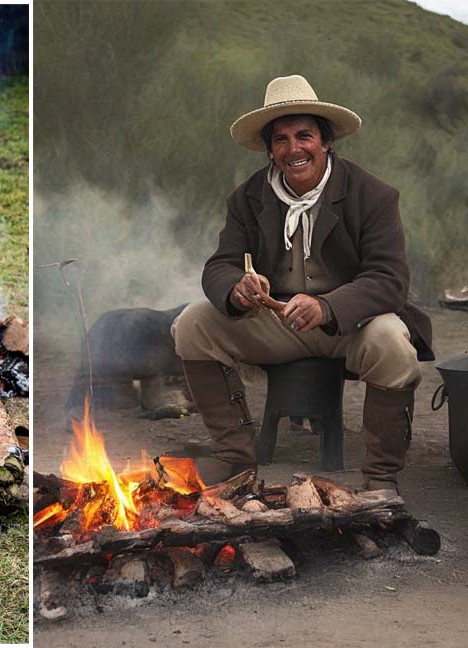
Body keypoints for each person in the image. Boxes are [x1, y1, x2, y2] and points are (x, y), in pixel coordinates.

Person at [171, 75, 434, 491]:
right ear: (270, 149)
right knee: (192, 323)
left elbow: (389, 279)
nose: (293, 149)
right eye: (281, 139)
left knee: (392, 342)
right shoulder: (247, 197)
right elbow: (220, 265)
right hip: (278, 322)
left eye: (304, 136)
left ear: (326, 141)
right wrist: (237, 287)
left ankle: (381, 478)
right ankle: (234, 459)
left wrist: (327, 306)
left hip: (351, 326)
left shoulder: (373, 195)